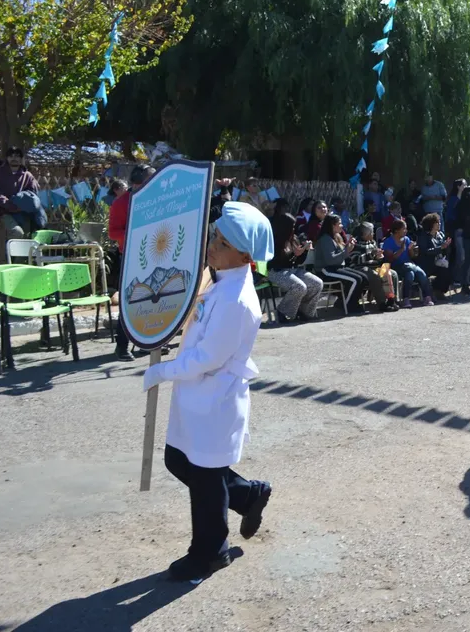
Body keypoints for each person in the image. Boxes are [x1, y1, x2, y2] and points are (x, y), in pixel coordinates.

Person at [141, 201, 275, 582]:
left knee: (203, 475)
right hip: (196, 394)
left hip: (213, 397)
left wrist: (162, 372)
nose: (212, 245)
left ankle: (210, 552)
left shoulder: (237, 301)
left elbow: (207, 359)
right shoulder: (217, 280)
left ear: (245, 255)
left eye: (222, 241)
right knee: (181, 461)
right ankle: (249, 495)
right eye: (215, 236)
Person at [109, 165, 156, 360]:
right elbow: (113, 232)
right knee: (130, 301)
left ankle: (146, 343)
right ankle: (121, 347)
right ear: (140, 181)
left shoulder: (155, 199)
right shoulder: (121, 203)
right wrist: (136, 236)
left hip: (154, 254)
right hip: (130, 257)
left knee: (151, 298)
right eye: (152, 179)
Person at [267, 209, 321, 323]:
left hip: (292, 270)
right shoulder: (274, 241)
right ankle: (282, 312)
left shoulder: (294, 239)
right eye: (291, 226)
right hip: (276, 271)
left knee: (317, 283)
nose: (293, 229)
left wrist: (304, 251)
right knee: (299, 286)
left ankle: (304, 312)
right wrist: (293, 254)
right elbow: (275, 262)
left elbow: (297, 261)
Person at [314, 214, 367, 313]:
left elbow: (341, 255)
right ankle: (347, 305)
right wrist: (347, 251)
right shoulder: (325, 239)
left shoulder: (336, 237)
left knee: (364, 278)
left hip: (337, 267)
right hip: (326, 270)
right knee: (356, 280)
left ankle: (346, 302)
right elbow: (330, 260)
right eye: (339, 223)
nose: (341, 226)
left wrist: (349, 246)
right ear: (332, 225)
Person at [382, 220, 432, 308]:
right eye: (403, 229)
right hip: (396, 266)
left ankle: (425, 297)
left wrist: (410, 249)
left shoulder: (406, 239)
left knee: (415, 273)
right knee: (412, 270)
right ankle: (406, 299)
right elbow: (390, 259)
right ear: (397, 230)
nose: (406, 231)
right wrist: (401, 250)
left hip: (408, 266)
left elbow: (412, 256)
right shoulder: (388, 241)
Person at [351, 222, 399, 312]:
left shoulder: (372, 242)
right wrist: (372, 254)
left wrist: (379, 256)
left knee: (392, 273)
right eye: (372, 232)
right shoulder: (356, 244)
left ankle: (391, 300)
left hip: (374, 266)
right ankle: (382, 303)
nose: (373, 234)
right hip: (360, 268)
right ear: (365, 234)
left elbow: (376, 258)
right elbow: (355, 260)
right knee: (375, 276)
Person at [417, 212, 453, 295]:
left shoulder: (440, 235)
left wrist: (447, 247)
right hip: (428, 263)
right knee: (443, 272)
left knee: (449, 270)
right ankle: (435, 290)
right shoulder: (423, 236)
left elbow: (445, 250)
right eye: (437, 222)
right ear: (431, 224)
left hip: (440, 261)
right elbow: (426, 251)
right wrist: (440, 248)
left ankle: (441, 291)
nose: (439, 224)